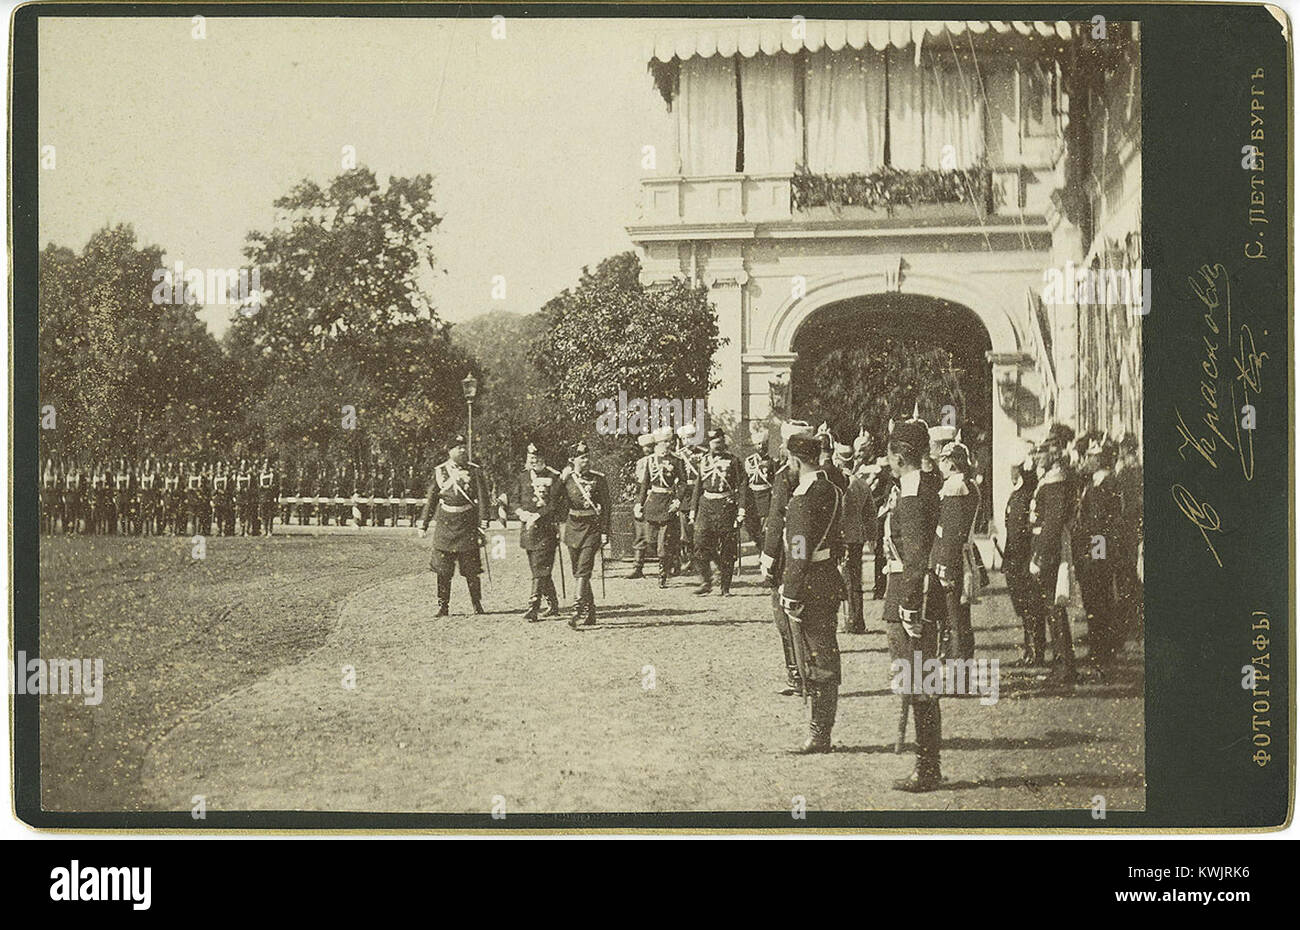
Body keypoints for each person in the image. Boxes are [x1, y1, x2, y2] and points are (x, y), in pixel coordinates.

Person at [882, 419, 946, 791]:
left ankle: (927, 769)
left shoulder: (912, 492)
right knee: (920, 682)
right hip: (913, 596)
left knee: (920, 683)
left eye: (890, 454)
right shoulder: (920, 486)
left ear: (899, 455)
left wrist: (909, 606)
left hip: (911, 600)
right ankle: (927, 764)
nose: (887, 461)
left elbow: (916, 555)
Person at [778, 432, 846, 753]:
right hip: (829, 577)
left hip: (809, 583)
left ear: (794, 460)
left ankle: (820, 734)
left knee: (818, 658)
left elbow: (799, 550)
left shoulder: (803, 497)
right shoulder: (832, 490)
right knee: (823, 653)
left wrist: (790, 590)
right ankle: (821, 730)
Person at [761, 420, 812, 696]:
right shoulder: (826, 475)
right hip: (812, 556)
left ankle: (796, 674)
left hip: (785, 556)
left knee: (784, 617)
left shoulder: (784, 475)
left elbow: (777, 519)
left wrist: (768, 558)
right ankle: (809, 673)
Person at [1029, 423, 1079, 691]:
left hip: (1051, 550)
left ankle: (1065, 666)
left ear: (1056, 452)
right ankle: (1062, 662)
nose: (1038, 455)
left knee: (1054, 608)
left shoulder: (1057, 479)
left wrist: (1039, 555)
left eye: (1043, 450)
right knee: (1052, 609)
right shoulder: (1051, 477)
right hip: (1047, 546)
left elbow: (1053, 522)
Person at [419, 435, 491, 617]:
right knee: (443, 569)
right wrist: (424, 524)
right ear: (450, 451)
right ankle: (443, 606)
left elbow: (483, 499)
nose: (462, 450)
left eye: (463, 447)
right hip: (445, 525)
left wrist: (483, 523)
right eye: (458, 447)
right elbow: (432, 499)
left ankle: (477, 604)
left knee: (471, 569)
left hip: (467, 524)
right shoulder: (440, 471)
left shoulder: (474, 471)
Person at [1073, 436, 1123, 673]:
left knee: (1099, 597)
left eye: (1090, 458)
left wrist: (1096, 557)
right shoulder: (1094, 482)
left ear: (1099, 460)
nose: (1086, 461)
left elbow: (1102, 525)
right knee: (1095, 599)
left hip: (1098, 547)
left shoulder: (1106, 484)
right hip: (1093, 546)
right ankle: (1099, 646)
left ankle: (1102, 649)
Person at [932, 441, 981, 661]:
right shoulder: (967, 484)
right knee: (960, 619)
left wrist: (944, 568)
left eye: (942, 460)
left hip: (952, 561)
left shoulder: (955, 488)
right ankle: (963, 674)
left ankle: (959, 678)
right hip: (960, 558)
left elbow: (951, 534)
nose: (939, 465)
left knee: (955, 621)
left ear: (951, 463)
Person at [690, 427, 747, 596]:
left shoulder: (734, 461)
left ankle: (725, 587)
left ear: (723, 442)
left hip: (726, 507)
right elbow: (698, 487)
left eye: (719, 442)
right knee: (700, 543)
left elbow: (742, 485)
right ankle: (706, 581)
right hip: (706, 506)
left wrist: (741, 510)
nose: (716, 445)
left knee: (728, 548)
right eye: (713, 442)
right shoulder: (703, 461)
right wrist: (693, 510)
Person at [559, 441, 610, 629]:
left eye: (587, 456)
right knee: (578, 572)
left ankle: (576, 610)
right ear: (573, 460)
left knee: (584, 569)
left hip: (592, 529)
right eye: (582, 458)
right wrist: (561, 481)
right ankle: (591, 612)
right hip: (573, 528)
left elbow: (607, 508)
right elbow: (555, 500)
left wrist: (605, 531)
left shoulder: (599, 479)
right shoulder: (567, 479)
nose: (586, 460)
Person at [511, 442, 564, 622]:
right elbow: (515, 500)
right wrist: (522, 513)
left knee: (540, 566)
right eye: (532, 458)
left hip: (546, 529)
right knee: (539, 568)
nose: (534, 461)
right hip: (528, 530)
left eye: (538, 458)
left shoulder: (554, 476)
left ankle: (533, 606)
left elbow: (555, 504)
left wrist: (537, 516)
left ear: (544, 459)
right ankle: (553, 604)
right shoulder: (522, 477)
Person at [1002, 453, 1043, 666]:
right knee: (1024, 608)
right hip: (1014, 559)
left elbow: (1027, 528)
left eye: (1014, 468)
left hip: (1024, 558)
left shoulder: (1027, 495)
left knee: (1032, 607)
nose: (1011, 473)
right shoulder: (1016, 495)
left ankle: (1035, 651)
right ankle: (1030, 650)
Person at [636, 426, 685, 589]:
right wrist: (639, 503)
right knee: (651, 541)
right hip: (653, 503)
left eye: (667, 442)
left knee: (662, 546)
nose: (664, 445)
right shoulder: (650, 461)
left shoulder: (677, 460)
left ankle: (662, 575)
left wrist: (678, 500)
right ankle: (671, 558)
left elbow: (683, 482)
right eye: (661, 442)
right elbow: (644, 485)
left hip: (668, 504)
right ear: (656, 444)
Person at [841, 436, 877, 635]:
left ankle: (850, 621)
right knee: (855, 581)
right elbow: (870, 513)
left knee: (845, 580)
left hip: (842, 537)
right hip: (857, 538)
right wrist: (871, 536)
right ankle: (858, 620)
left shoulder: (839, 483)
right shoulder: (861, 484)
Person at [742, 424, 776, 568]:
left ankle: (763, 553)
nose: (761, 447)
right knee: (752, 528)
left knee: (764, 530)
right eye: (758, 444)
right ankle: (759, 547)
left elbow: (774, 482)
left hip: (766, 496)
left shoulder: (773, 462)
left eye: (763, 444)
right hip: (752, 498)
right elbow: (745, 482)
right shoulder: (749, 461)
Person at [627, 432, 657, 579]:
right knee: (640, 532)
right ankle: (637, 566)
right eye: (645, 447)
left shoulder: (662, 460)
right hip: (644, 498)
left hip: (660, 497)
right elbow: (640, 484)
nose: (647, 449)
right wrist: (638, 502)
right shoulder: (641, 462)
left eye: (650, 446)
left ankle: (671, 564)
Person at [258, 457, 279, 537]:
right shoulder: (261, 475)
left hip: (270, 496)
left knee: (270, 514)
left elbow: (276, 486)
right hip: (263, 497)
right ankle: (265, 530)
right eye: (265, 464)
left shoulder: (273, 475)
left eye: (267, 464)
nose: (266, 466)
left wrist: (269, 488)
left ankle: (270, 530)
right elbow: (258, 486)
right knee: (263, 514)